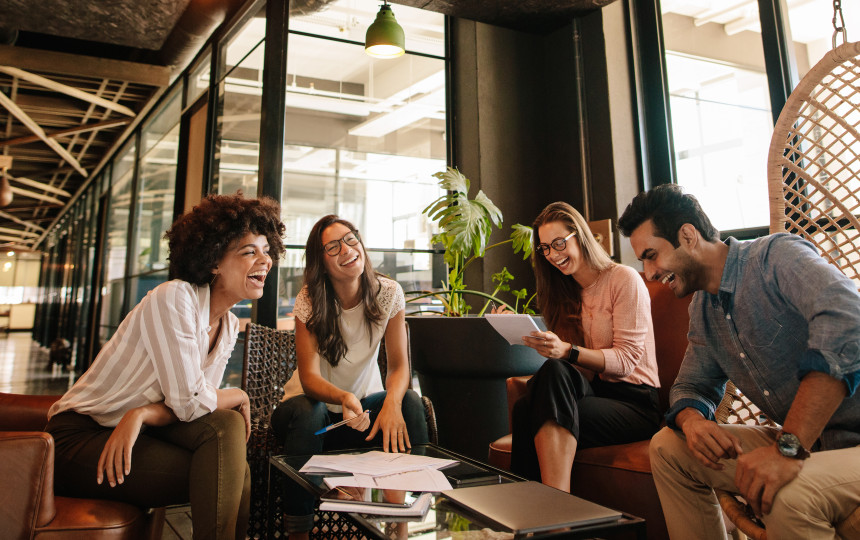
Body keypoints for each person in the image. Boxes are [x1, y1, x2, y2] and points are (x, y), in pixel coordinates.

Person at [617, 184, 860, 539]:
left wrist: (787, 449)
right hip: (813, 446)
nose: (649, 272)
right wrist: (693, 421)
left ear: (687, 235)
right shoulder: (704, 309)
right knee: (668, 448)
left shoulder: (775, 256)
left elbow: (847, 318)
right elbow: (690, 385)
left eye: (651, 255)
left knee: (784, 494)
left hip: (837, 445)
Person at [46, 193, 286, 540]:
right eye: (250, 251)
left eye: (267, 250)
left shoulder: (230, 325)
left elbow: (196, 409)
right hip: (79, 439)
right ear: (214, 261)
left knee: (227, 433)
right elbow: (192, 402)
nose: (265, 260)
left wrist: (141, 414)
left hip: (140, 430)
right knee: (228, 467)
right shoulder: (174, 297)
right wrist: (237, 394)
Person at [270, 214, 429, 536]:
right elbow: (309, 379)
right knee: (309, 409)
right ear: (321, 262)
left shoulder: (389, 293)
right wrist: (344, 397)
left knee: (409, 403)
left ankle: (402, 522)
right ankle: (298, 530)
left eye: (351, 239)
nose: (347, 249)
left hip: (356, 418)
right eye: (333, 247)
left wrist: (393, 404)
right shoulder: (310, 301)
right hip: (308, 421)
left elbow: (399, 366)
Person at [508, 201, 662, 492]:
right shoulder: (563, 292)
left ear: (579, 236)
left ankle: (555, 510)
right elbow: (576, 372)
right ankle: (534, 515)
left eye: (558, 243)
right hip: (595, 394)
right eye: (545, 249)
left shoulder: (623, 279)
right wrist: (537, 339)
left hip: (637, 405)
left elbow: (627, 361)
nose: (553, 255)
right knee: (535, 395)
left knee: (535, 403)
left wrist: (567, 350)